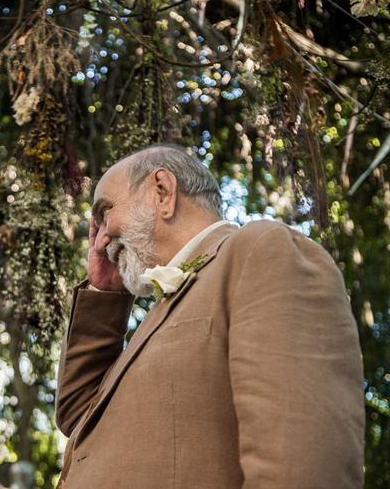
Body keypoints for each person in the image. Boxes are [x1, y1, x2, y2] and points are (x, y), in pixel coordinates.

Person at [55, 144, 364, 488]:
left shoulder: (261, 251)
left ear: (163, 191)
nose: (100, 237)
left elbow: (302, 461)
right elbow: (79, 416)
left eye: (105, 212)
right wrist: (104, 294)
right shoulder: (162, 308)